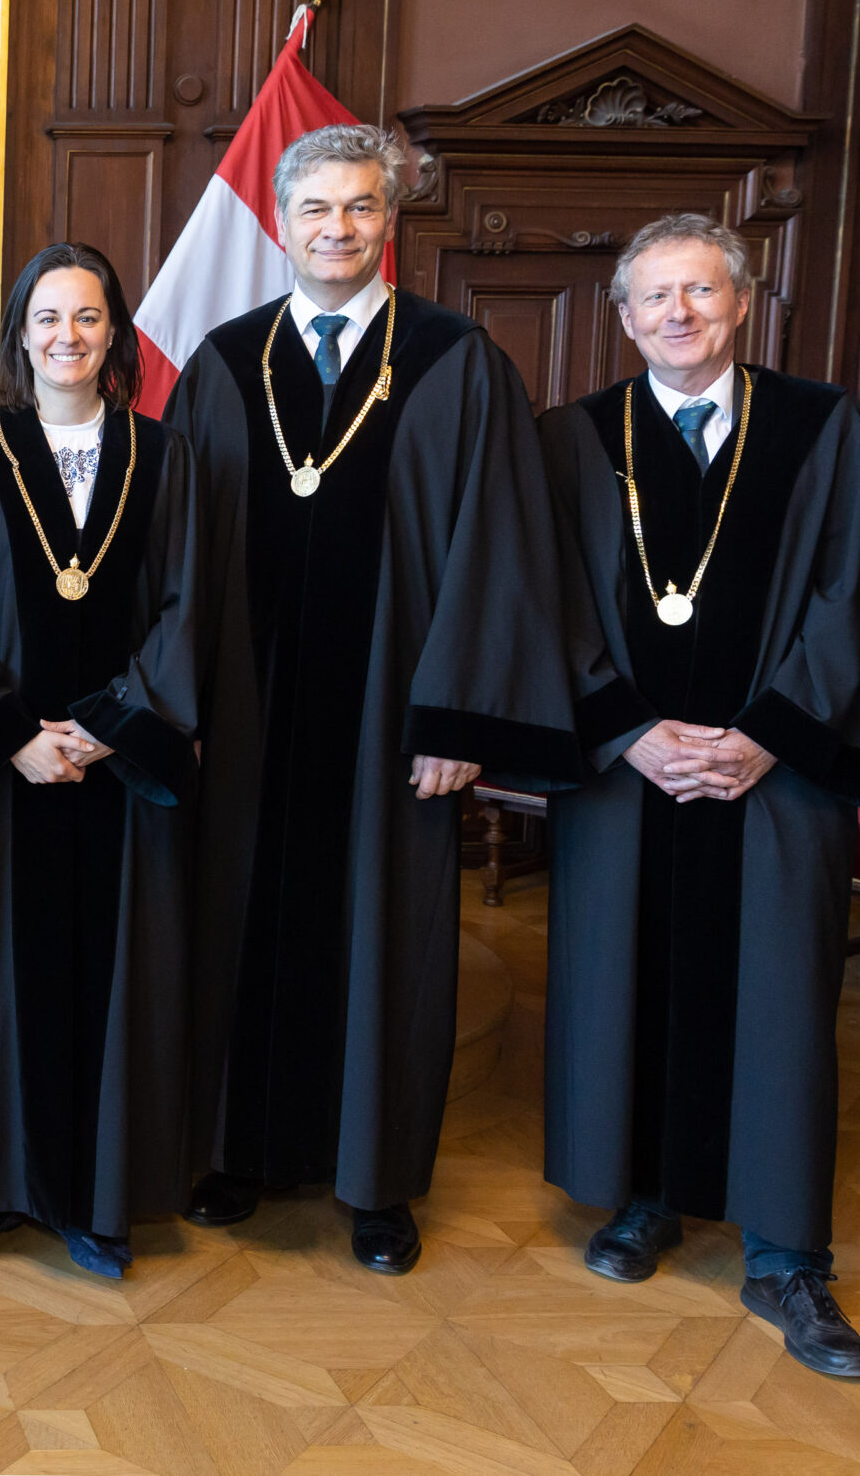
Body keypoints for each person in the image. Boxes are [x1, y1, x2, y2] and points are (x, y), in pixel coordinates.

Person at [164, 123, 584, 1275]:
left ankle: (378, 1183)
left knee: (386, 935)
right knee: (232, 919)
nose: (336, 229)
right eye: (315, 210)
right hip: (244, 718)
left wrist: (455, 719)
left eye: (358, 209)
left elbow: (497, 550)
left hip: (388, 724)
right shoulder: (223, 362)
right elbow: (181, 556)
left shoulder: (457, 362)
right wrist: (177, 704)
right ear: (282, 223)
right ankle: (232, 1149)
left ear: (388, 225)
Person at [539, 215, 860, 1380]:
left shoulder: (819, 429)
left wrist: (763, 738)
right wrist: (630, 734)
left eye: (699, 293)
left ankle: (789, 1253)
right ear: (624, 315)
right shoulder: (578, 440)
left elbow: (852, 597)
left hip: (775, 774)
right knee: (626, 981)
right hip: (629, 777)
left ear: (742, 304)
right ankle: (646, 1196)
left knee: (780, 1000)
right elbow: (550, 610)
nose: (676, 315)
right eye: (652, 297)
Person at [0, 243, 204, 1279]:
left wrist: (111, 725)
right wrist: (18, 737)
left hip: (116, 775)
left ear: (114, 335)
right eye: (47, 318)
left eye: (87, 317)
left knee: (113, 983)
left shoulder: (163, 456)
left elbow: (181, 608)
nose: (67, 336)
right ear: (20, 335)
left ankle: (97, 1200)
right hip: (5, 778)